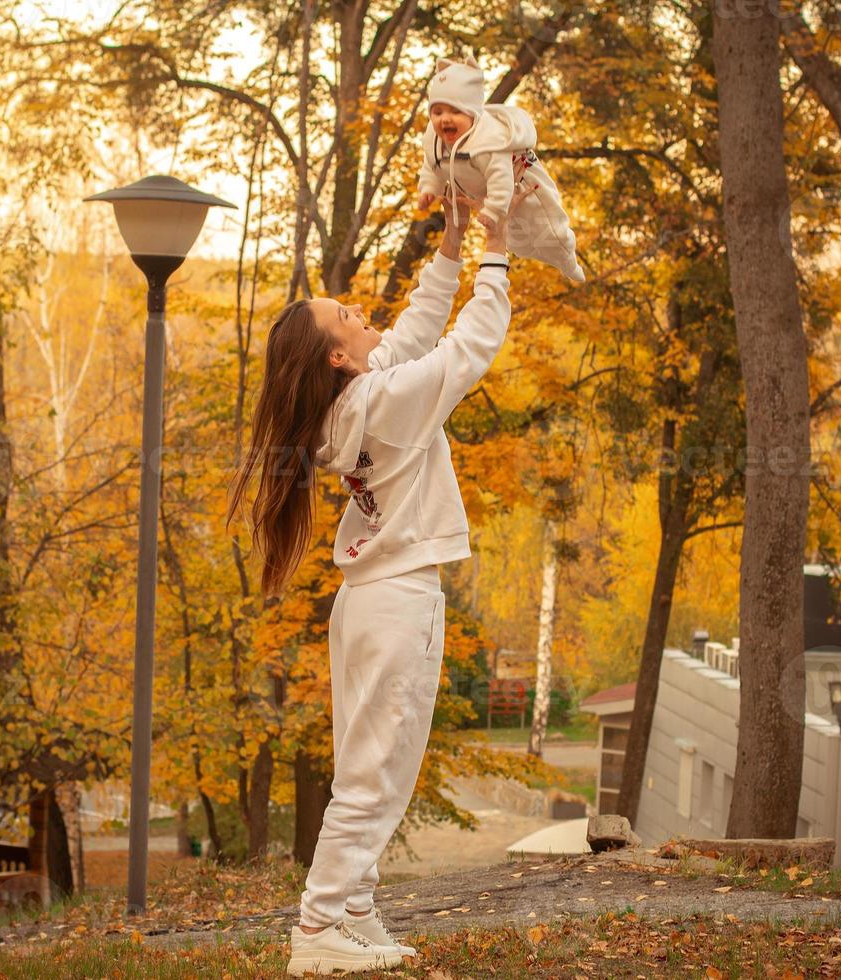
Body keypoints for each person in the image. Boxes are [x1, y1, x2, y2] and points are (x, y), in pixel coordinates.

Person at [228, 181, 531, 975]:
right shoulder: (384, 402)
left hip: (368, 602)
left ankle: (354, 911)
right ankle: (319, 927)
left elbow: (417, 330)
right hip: (397, 601)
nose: (364, 317)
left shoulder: (352, 403)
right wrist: (495, 258)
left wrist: (454, 246)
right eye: (349, 317)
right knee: (376, 775)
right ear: (336, 352)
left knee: (370, 768)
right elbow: (466, 350)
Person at [417, 55, 586, 282]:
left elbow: (501, 177)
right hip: (487, 194)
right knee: (519, 241)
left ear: (472, 113)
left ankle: (567, 259)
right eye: (437, 113)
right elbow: (431, 165)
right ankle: (538, 252)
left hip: (523, 181)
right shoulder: (435, 142)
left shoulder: (488, 142)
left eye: (455, 112)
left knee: (547, 229)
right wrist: (429, 188)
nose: (445, 119)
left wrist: (494, 210)